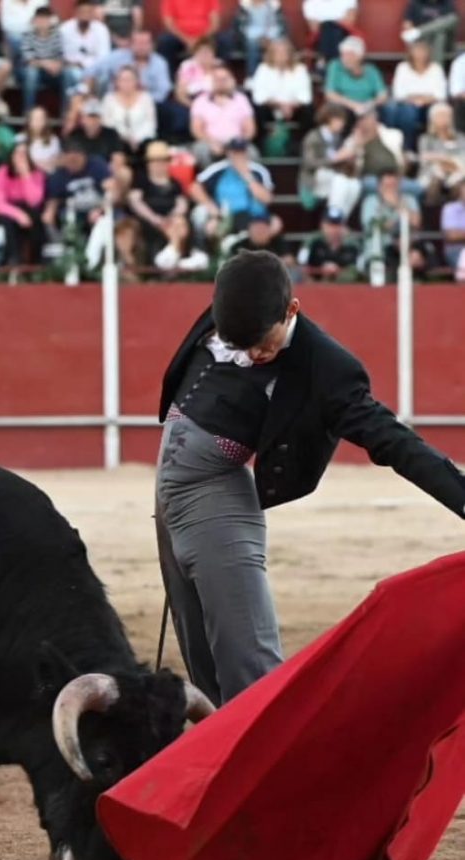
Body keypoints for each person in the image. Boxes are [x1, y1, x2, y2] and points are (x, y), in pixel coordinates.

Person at [155, 249, 465, 705]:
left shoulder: (327, 368)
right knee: (200, 654)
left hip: (217, 499)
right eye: (242, 344)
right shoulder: (237, 305)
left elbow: (394, 442)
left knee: (247, 663)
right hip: (169, 500)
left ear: (292, 310)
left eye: (265, 343)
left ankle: (273, 764)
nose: (255, 354)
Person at [190, 136, 276, 238]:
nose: (237, 156)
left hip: (254, 217)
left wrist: (246, 176)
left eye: (241, 152)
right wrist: (212, 208)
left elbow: (267, 199)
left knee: (273, 224)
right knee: (202, 216)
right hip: (225, 216)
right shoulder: (219, 168)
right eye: (234, 152)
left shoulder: (258, 170)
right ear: (228, 153)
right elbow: (195, 187)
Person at [380, 40, 447, 153]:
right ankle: (407, 149)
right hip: (407, 104)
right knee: (405, 112)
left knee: (435, 111)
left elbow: (440, 94)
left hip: (430, 104)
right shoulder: (402, 67)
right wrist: (415, 99)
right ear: (410, 53)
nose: (420, 54)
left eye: (423, 51)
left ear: (428, 53)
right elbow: (398, 93)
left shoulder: (436, 68)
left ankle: (427, 148)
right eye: (417, 50)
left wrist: (423, 99)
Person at [127, 138, 188, 260]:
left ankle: (171, 256)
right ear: (148, 163)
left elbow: (182, 203)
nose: (159, 165)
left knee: (179, 225)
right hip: (148, 220)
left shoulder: (175, 183)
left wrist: (172, 216)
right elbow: (135, 201)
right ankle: (171, 258)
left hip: (170, 220)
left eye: (163, 161)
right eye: (155, 162)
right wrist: (154, 218)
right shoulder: (141, 181)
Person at [250, 37, 313, 148]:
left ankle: (300, 145)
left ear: (290, 54)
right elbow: (259, 96)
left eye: (284, 52)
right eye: (277, 52)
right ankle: (260, 145)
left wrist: (290, 106)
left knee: (309, 110)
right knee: (255, 109)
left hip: (294, 109)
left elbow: (305, 97)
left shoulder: (300, 69)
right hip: (270, 108)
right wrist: (279, 105)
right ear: (271, 54)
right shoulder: (263, 69)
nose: (281, 55)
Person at [0, 140, 46, 264]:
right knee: (9, 222)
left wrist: (26, 175)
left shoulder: (37, 174)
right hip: (7, 211)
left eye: (24, 154)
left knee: (36, 220)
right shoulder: (2, 172)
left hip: (29, 209)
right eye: (18, 154)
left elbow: (35, 201)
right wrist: (18, 215)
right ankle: (14, 259)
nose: (21, 157)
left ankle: (35, 261)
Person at [190, 65, 256, 168]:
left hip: (236, 143)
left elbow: (250, 129)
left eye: (224, 79)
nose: (221, 82)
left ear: (232, 80)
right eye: (217, 79)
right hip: (209, 142)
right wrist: (211, 142)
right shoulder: (200, 101)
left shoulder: (241, 100)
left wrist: (238, 144)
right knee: (200, 150)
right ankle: (211, 181)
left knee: (252, 153)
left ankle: (247, 182)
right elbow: (197, 130)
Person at [42, 137, 110, 232]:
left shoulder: (97, 165)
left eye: (75, 160)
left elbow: (111, 190)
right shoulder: (58, 175)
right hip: (74, 211)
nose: (72, 164)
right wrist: (49, 213)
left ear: (83, 156)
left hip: (99, 206)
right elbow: (53, 201)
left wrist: (101, 209)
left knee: (116, 218)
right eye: (69, 160)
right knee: (64, 217)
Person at [86, 30, 172, 105]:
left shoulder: (160, 63)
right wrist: (91, 94)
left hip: (149, 104)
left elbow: (163, 91)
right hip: (116, 103)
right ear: (130, 45)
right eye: (138, 43)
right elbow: (90, 71)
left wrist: (140, 101)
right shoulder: (117, 57)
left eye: (145, 43)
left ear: (152, 45)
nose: (141, 47)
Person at [324, 36, 387, 125]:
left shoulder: (371, 70)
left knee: (385, 111)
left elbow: (383, 95)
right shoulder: (335, 66)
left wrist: (371, 104)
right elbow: (330, 94)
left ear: (359, 56)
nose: (344, 59)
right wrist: (354, 105)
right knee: (341, 112)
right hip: (344, 107)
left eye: (348, 55)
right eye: (342, 55)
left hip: (369, 108)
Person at [20, 5, 68, 113]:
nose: (42, 22)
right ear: (34, 20)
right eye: (39, 18)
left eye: (45, 19)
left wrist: (58, 65)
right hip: (31, 71)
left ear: (50, 20)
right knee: (31, 73)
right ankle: (28, 112)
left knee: (68, 74)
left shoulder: (57, 35)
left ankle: (65, 112)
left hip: (52, 72)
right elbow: (29, 60)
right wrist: (46, 64)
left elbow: (61, 56)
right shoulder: (27, 35)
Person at [100, 64, 157, 153]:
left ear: (137, 81)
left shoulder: (146, 98)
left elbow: (150, 124)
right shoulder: (109, 99)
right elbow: (107, 123)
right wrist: (126, 138)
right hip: (117, 140)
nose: (126, 83)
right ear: (117, 82)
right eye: (123, 80)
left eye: (130, 80)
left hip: (143, 140)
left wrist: (137, 139)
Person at [417, 101, 465, 202]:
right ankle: (431, 214)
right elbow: (425, 159)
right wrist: (446, 160)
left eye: (447, 116)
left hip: (457, 172)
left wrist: (442, 159)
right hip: (431, 173)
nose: (444, 119)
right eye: (440, 115)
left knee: (458, 183)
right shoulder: (426, 139)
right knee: (436, 179)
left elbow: (462, 157)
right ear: (432, 119)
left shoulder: (460, 138)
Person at [157, 0, 220, 73]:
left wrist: (199, 40)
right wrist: (187, 40)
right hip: (179, 37)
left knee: (222, 41)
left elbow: (215, 24)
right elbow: (169, 24)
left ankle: (219, 76)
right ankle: (171, 79)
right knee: (165, 42)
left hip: (204, 37)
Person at [297, 207, 360, 280]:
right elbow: (301, 266)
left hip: (344, 286)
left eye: (337, 225)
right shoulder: (312, 242)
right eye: (330, 225)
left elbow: (359, 270)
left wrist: (338, 271)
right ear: (322, 225)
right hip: (315, 285)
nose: (333, 229)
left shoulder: (352, 245)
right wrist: (321, 270)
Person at [65, 96, 126, 166]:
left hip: (106, 171)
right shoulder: (75, 135)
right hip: (82, 172)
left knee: (124, 173)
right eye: (90, 117)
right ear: (83, 119)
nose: (93, 121)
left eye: (96, 117)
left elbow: (118, 158)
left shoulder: (111, 134)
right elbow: (70, 161)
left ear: (101, 119)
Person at [231, 0, 287, 77]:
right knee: (252, 45)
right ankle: (251, 77)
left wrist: (268, 37)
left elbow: (281, 26)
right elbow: (241, 28)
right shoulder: (245, 7)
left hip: (272, 36)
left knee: (278, 46)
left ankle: (277, 76)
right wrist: (258, 38)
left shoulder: (274, 6)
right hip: (251, 37)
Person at [60, 0, 111, 79]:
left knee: (104, 75)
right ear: (75, 13)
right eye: (82, 12)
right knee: (72, 73)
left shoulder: (101, 29)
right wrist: (74, 64)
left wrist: (85, 65)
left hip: (95, 68)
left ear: (92, 13)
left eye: (88, 12)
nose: (85, 15)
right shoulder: (65, 29)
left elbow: (104, 57)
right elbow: (62, 55)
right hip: (71, 68)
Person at [402, 1, 458, 66]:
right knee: (439, 35)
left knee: (450, 22)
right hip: (422, 41)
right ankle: (437, 69)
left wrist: (419, 32)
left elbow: (453, 21)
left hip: (445, 43)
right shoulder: (415, 3)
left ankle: (420, 32)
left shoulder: (447, 2)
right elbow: (407, 24)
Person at [23, 104, 62, 172]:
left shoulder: (54, 140)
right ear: (29, 121)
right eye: (35, 118)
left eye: (41, 118)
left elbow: (56, 163)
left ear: (46, 121)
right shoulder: (20, 139)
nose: (38, 122)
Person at [440, 178, 465, 271]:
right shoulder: (450, 208)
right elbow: (451, 235)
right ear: (460, 191)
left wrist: (461, 233)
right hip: (457, 250)